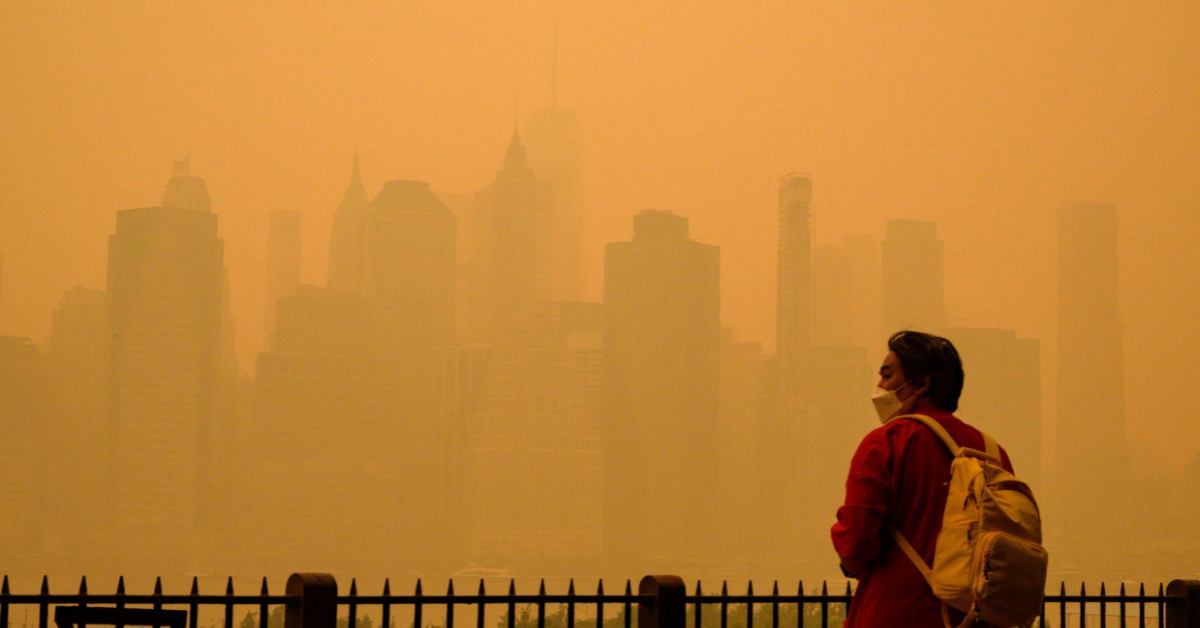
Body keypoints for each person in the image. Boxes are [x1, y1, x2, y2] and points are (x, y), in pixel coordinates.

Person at [831, 331, 1014, 628]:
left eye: (887, 376)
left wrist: (850, 562)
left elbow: (854, 544)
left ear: (921, 384)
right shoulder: (993, 452)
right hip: (975, 619)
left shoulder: (887, 442)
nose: (880, 386)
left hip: (896, 613)